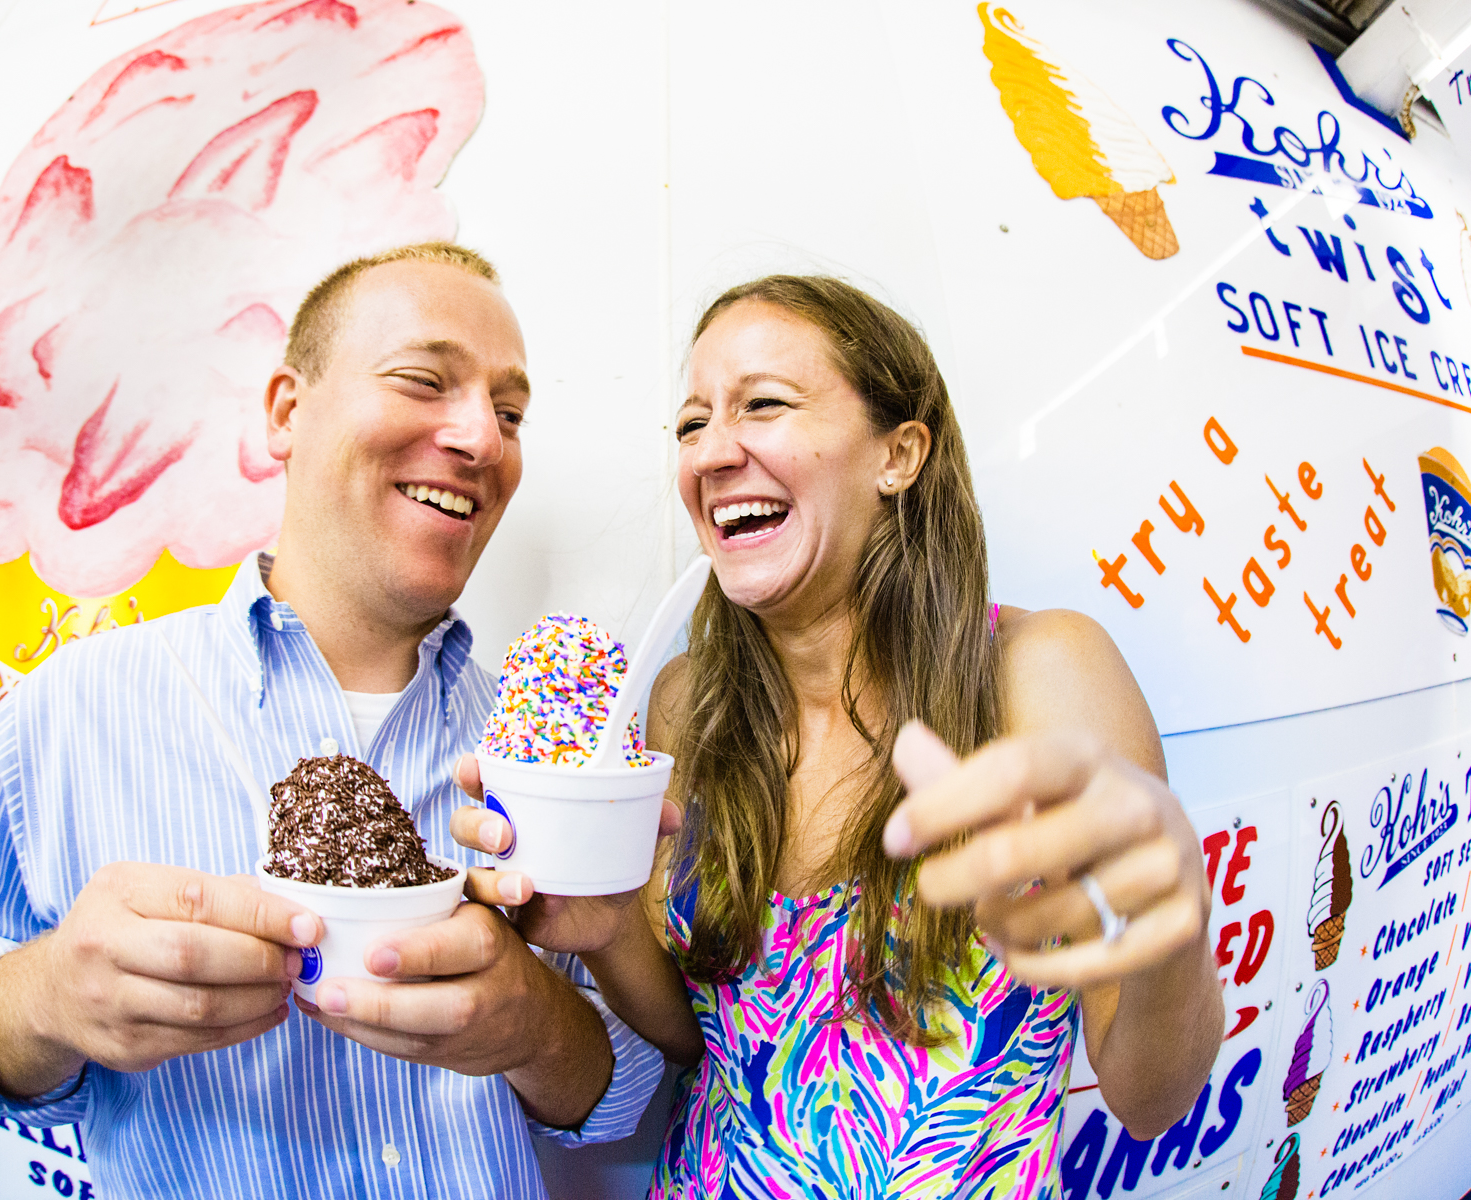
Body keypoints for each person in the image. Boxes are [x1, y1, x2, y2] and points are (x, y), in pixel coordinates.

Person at [0, 243, 664, 1199]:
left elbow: (623, 1090)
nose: (482, 438)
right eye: (424, 380)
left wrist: (536, 1024)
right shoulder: (76, 703)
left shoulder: (540, 749)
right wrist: (50, 998)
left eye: (509, 413)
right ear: (286, 414)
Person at [453, 274, 1223, 1198]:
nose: (710, 452)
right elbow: (704, 1040)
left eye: (762, 405)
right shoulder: (686, 705)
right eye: (694, 423)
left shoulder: (1039, 675)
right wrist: (609, 932)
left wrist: (1167, 921)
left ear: (899, 453)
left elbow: (1150, 1098)